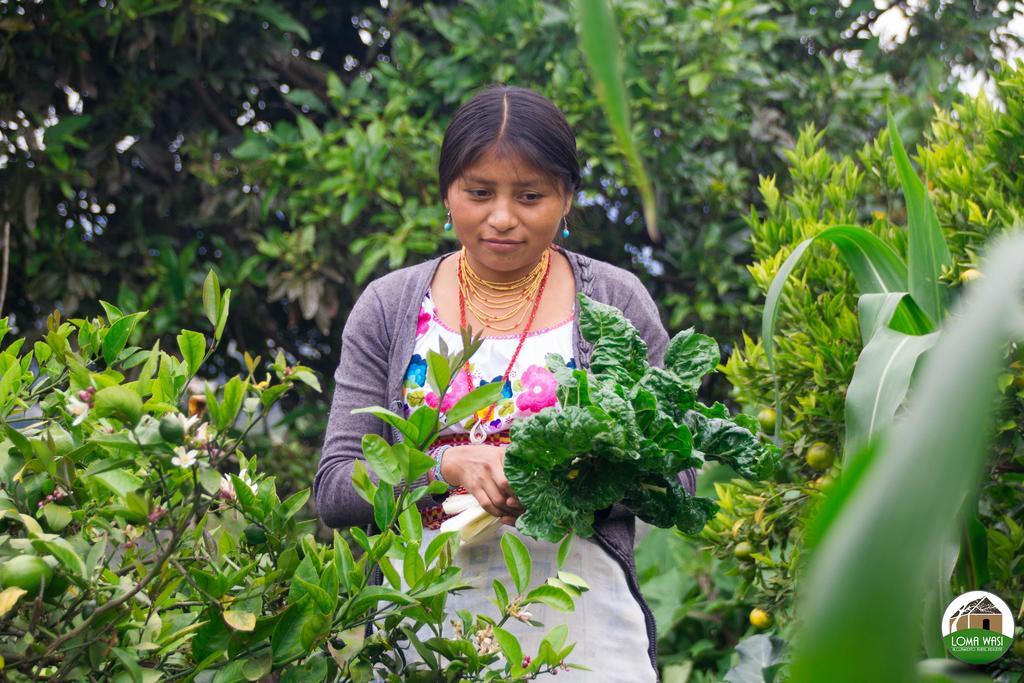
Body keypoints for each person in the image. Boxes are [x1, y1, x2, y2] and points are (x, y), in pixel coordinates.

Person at [314, 84, 696, 681]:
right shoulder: (389, 308)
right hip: (419, 621)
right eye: (479, 192)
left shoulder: (616, 301)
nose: (501, 217)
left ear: (566, 197)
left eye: (530, 195)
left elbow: (676, 474)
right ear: (446, 191)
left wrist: (561, 480)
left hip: (579, 620)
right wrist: (444, 468)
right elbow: (335, 487)